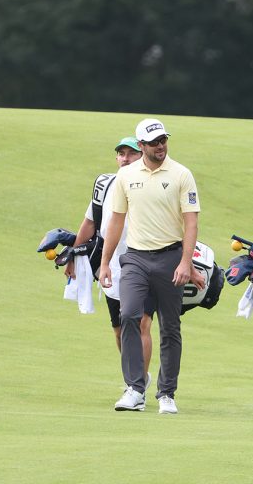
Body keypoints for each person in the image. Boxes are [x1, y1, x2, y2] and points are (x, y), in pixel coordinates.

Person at [100, 118, 203, 414]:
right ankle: (135, 389)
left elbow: (191, 221)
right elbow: (116, 221)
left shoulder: (182, 174)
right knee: (130, 315)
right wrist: (105, 263)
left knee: (170, 327)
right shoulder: (126, 175)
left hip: (171, 257)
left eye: (163, 140)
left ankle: (166, 394)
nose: (160, 146)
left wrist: (187, 262)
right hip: (136, 258)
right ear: (141, 145)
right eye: (154, 142)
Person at [65, 136, 155, 386]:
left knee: (141, 325)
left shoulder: (153, 184)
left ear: (143, 155)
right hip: (113, 265)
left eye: (132, 153)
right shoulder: (105, 185)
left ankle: (136, 385)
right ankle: (139, 377)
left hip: (147, 263)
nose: (125, 159)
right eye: (121, 154)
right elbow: (90, 223)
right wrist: (73, 256)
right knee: (119, 330)